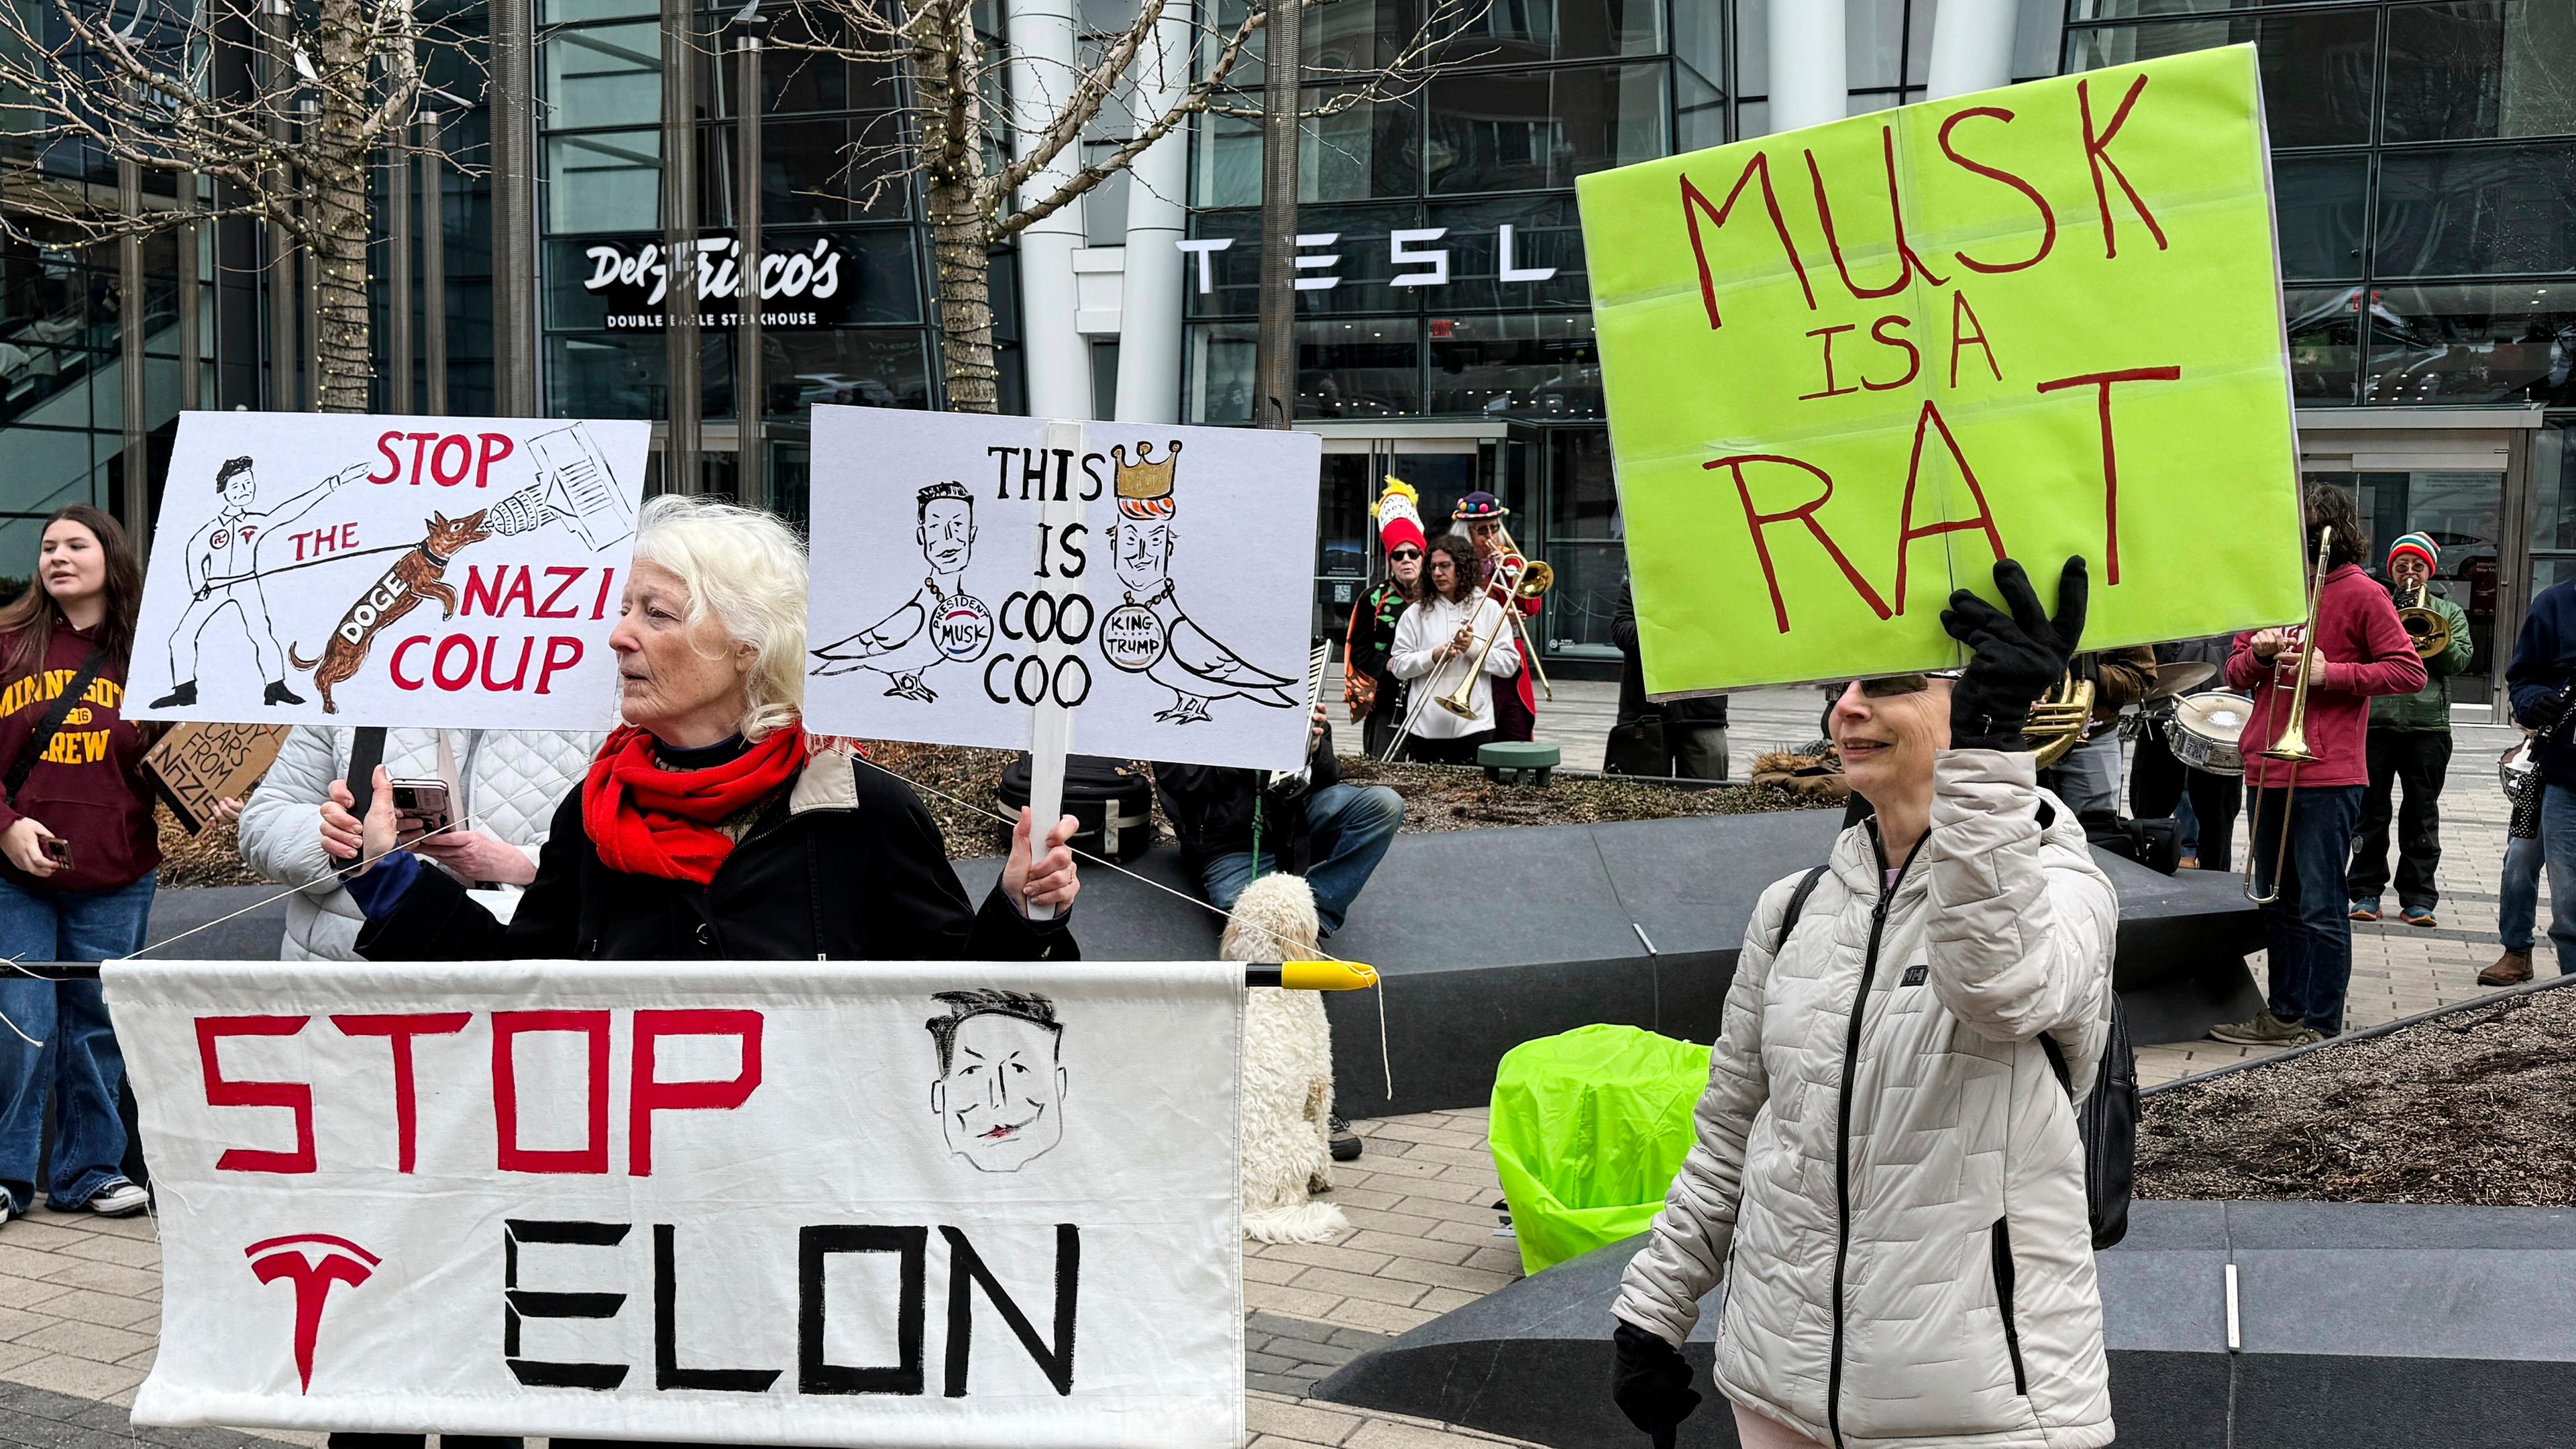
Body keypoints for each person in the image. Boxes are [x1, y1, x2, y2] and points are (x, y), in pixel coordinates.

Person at [1609, 557, 2117, 1449]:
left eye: (1886, 685)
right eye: (1840, 686)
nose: (1845, 709)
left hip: (1974, 1410)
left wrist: (1989, 751)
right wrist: (1653, 1310)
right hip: (1777, 1385)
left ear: (1978, 705)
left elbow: (1998, 987)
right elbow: (1733, 1130)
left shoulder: (2062, 889)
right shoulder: (1793, 907)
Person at [329, 494, 1081, 963]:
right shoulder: (594, 811)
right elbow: (522, 995)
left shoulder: (864, 811)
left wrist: (1022, 911)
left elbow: (960, 1009)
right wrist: (387, 878)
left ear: (748, 646)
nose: (619, 637)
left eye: (656, 613)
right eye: (625, 610)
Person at [2210, 486, 2424, 1047]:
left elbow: (2409, 671)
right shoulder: (2272, 591)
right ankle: (2284, 1013)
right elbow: (2234, 674)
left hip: (2328, 774)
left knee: (2322, 905)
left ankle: (2322, 1026)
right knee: (2277, 902)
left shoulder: (2364, 593)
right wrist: (2258, 654)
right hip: (2267, 765)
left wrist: (2335, 675)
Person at [0, 505, 160, 1224]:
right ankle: (7, 1177)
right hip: (14, 877)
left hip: (118, 875)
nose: (57, 556)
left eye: (75, 545)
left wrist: (210, 794)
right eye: (47, 547)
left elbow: (173, 760)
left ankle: (90, 1172)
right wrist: (6, 827)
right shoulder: (8, 645)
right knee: (20, 1022)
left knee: (98, 1025)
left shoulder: (153, 655)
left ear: (111, 557)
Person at [236, 725, 599, 959]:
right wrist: (342, 840)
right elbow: (262, 822)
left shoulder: (601, 699)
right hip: (345, 976)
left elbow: (616, 840)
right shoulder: (353, 687)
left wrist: (525, 864)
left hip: (521, 975)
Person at [1152, 706, 1404, 938]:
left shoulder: (1290, 689)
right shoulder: (1180, 701)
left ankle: (1317, 913)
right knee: (1258, 929)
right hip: (1225, 847)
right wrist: (1247, 740)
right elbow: (1183, 782)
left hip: (1290, 827)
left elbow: (1327, 780)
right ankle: (1294, 925)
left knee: (1384, 804)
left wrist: (1314, 751)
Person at [2346, 533, 2472, 927]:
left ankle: (2418, 897)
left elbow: (2459, 662)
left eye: (2418, 566)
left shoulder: (2448, 611)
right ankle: (2365, 892)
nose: (2410, 573)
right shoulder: (2378, 605)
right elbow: (2359, 653)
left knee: (2422, 814)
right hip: (2377, 723)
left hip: (2427, 725)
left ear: (2430, 571)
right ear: (2393, 570)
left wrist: (2431, 636)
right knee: (2370, 812)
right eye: (2402, 566)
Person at [1385, 533, 1517, 765]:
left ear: (1463, 567)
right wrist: (1432, 657)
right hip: (1424, 728)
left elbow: (1509, 665)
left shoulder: (1489, 608)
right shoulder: (1415, 613)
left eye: (1445, 566)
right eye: (1433, 567)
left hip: (1476, 726)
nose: (1437, 573)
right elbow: (1399, 666)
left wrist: (1474, 648)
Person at [2505, 564, 2576, 969]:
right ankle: (2516, 949)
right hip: (2556, 772)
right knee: (2521, 860)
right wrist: (2534, 701)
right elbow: (2522, 678)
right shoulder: (2554, 602)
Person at [2128, 635, 2241, 869]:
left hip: (2223, 718)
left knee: (2219, 820)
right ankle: (2143, 873)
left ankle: (2216, 880)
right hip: (2163, 712)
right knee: (2149, 811)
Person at [1610, 576, 1727, 779]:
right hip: (1646, 714)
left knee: (1707, 791)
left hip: (1702, 711)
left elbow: (1729, 631)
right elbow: (1621, 632)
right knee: (1644, 791)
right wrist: (1664, 628)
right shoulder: (1639, 582)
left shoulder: (1715, 583)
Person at [1346, 478, 1427, 760]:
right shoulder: (1372, 598)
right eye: (1398, 555)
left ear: (1423, 556)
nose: (1406, 560)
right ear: (1389, 561)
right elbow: (1359, 651)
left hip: (1431, 697)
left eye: (1413, 553)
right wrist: (1388, 665)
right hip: (1386, 698)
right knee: (1383, 766)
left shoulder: (1439, 596)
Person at [1453, 491, 1540, 743]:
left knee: (1515, 728)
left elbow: (1532, 607)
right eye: (1482, 531)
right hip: (1469, 656)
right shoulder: (1453, 565)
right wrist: (1500, 618)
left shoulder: (1509, 560)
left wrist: (1512, 574)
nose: (1490, 536)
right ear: (1466, 533)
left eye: (1494, 528)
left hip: (1507, 657)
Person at [2037, 647, 2155, 816]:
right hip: (2014, 741)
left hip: (2093, 741)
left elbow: (2140, 679)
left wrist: (2093, 674)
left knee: (2096, 828)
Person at [2484, 731, 2544, 985]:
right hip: (2543, 776)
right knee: (2518, 862)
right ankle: (2516, 951)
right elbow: (2523, 708)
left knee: (2567, 881)